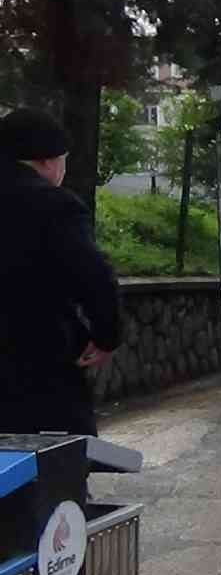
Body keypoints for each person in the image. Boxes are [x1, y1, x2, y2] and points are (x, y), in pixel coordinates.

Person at [0, 109, 121, 436]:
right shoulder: (53, 205)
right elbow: (92, 274)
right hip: (36, 361)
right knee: (59, 454)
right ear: (48, 161)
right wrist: (106, 335)